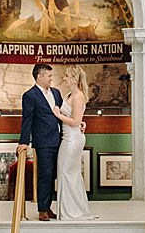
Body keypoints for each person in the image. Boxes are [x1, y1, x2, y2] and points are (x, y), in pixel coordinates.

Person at [50, 66, 97, 222]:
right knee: (67, 173)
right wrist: (80, 121)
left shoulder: (78, 96)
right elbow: (77, 118)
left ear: (75, 79)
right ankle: (68, 210)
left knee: (67, 173)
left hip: (72, 139)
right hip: (68, 137)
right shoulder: (70, 94)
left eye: (67, 76)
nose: (64, 78)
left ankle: (72, 212)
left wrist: (57, 114)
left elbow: (75, 121)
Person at [18, 64, 64, 221]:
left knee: (54, 175)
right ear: (40, 76)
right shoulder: (30, 96)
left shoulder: (57, 93)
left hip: (60, 140)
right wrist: (24, 142)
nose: (52, 79)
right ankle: (43, 209)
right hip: (43, 141)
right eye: (49, 76)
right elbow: (27, 120)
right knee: (45, 174)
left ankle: (48, 205)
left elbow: (63, 114)